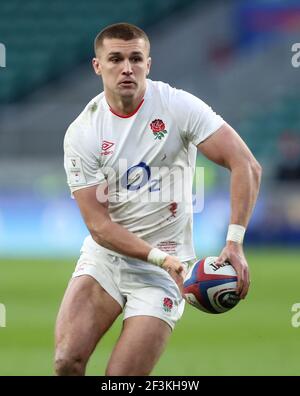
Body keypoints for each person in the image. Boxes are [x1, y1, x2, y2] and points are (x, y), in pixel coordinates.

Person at [55, 23, 262, 376]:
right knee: (66, 362)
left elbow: (246, 164)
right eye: (116, 59)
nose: (127, 68)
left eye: (136, 59)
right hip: (107, 259)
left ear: (148, 64)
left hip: (169, 272)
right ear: (97, 66)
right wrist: (158, 258)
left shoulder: (177, 106)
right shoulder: (83, 132)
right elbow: (99, 226)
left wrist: (235, 242)